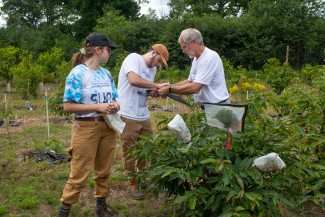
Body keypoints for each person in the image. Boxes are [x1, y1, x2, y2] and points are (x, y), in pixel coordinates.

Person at [59, 33, 119, 217]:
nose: (110, 53)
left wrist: (116, 105)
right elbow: (68, 106)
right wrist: (98, 106)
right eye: (108, 49)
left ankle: (101, 206)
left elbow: (115, 97)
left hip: (107, 127)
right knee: (79, 173)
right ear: (98, 50)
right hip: (86, 128)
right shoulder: (78, 73)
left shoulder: (106, 74)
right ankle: (64, 210)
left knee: (104, 170)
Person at [117, 44, 169, 200]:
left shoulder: (152, 70)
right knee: (130, 151)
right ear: (153, 53)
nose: (158, 65)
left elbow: (145, 89)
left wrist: (156, 92)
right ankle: (133, 182)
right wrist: (156, 85)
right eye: (159, 61)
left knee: (146, 148)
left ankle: (142, 178)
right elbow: (133, 80)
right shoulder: (133, 58)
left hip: (143, 114)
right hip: (127, 112)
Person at [158, 28, 230, 108]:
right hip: (209, 107)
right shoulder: (196, 59)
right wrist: (168, 87)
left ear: (193, 42)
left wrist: (169, 89)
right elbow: (189, 81)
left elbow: (195, 88)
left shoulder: (209, 57)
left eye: (184, 47)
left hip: (218, 107)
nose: (183, 51)